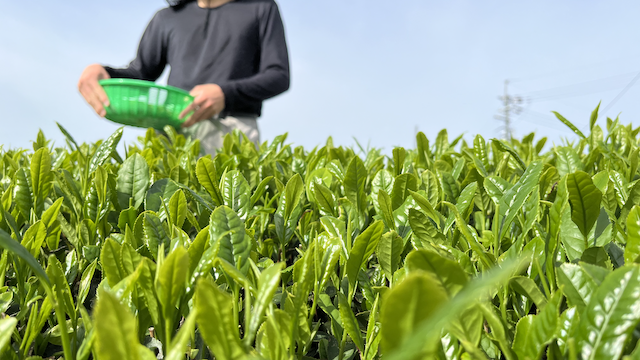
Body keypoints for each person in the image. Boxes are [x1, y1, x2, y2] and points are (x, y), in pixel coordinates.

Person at [77, 0, 290, 155]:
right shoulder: (167, 17)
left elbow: (278, 75)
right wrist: (104, 72)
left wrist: (225, 93)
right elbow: (141, 73)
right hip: (171, 129)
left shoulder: (261, 8)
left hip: (231, 128)